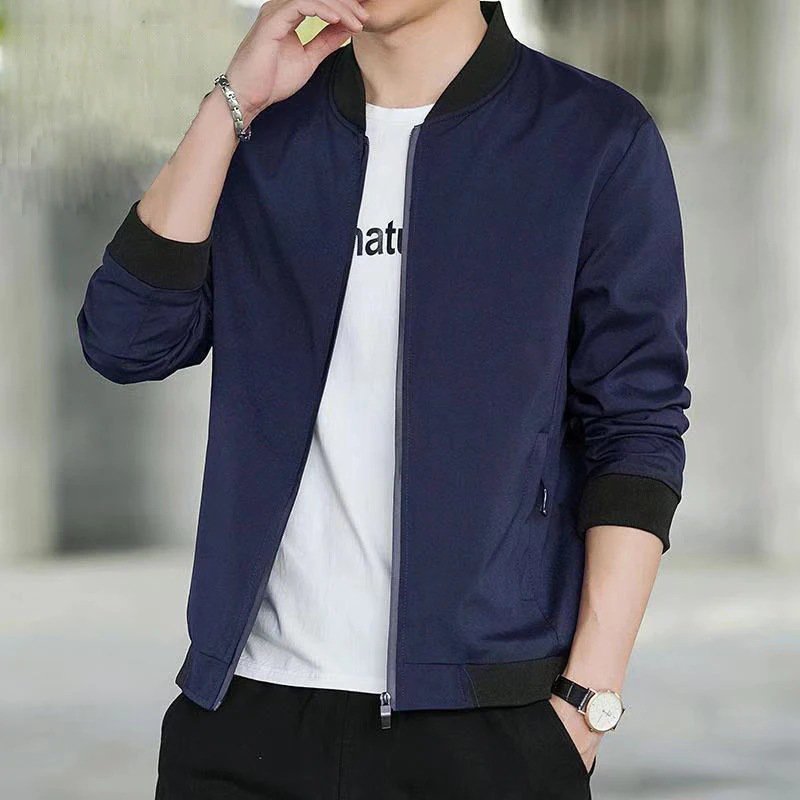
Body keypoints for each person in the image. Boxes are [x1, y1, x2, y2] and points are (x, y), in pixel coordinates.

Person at [76, 0, 691, 797]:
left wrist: (585, 702)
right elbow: (125, 341)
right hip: (245, 713)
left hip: (485, 724)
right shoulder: (268, 134)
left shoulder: (592, 137)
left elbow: (636, 426)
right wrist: (232, 104)